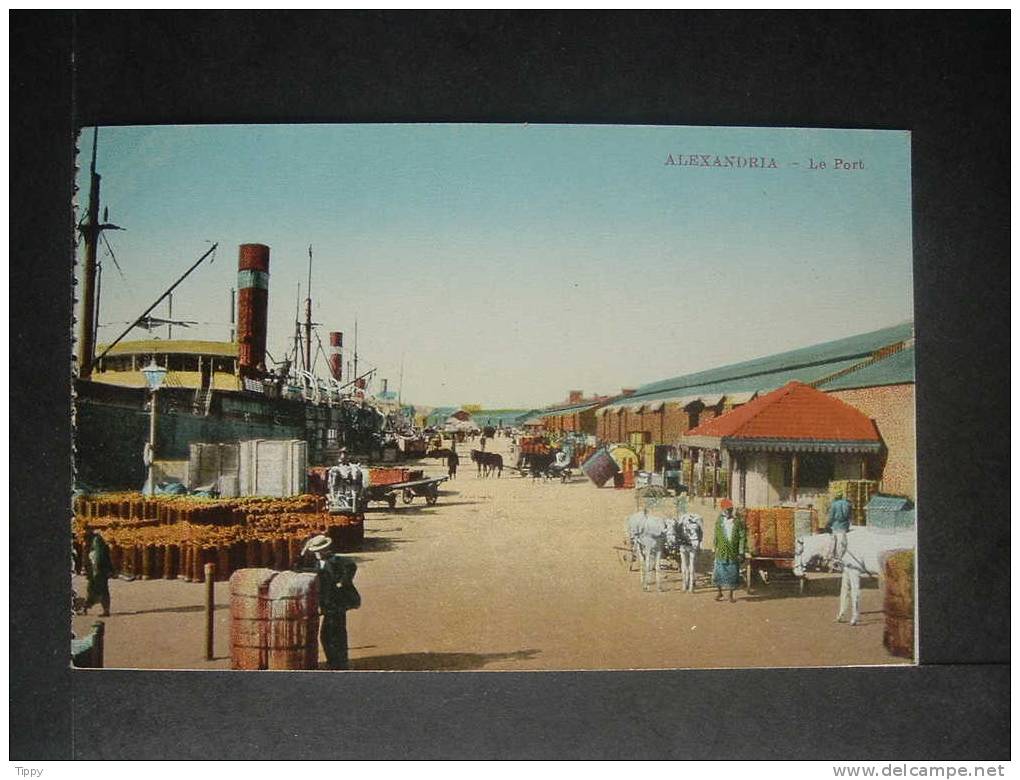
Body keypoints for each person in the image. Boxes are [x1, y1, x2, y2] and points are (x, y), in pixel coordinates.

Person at [301, 535, 361, 670]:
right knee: (329, 634)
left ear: (325, 550)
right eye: (315, 551)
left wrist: (343, 582)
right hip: (327, 602)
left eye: (318, 551)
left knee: (335, 633)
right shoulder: (317, 563)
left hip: (337, 602)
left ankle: (339, 662)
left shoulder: (336, 560)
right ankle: (334, 660)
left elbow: (352, 566)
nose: (316, 554)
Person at [712, 499, 747, 603]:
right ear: (723, 510)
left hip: (733, 551)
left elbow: (742, 537)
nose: (728, 512)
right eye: (726, 510)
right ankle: (719, 592)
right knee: (719, 571)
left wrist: (741, 551)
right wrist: (714, 546)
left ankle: (730, 595)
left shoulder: (737, 522)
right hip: (721, 550)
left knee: (733, 572)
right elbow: (716, 534)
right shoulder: (719, 521)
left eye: (730, 510)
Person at [83, 527, 114, 616]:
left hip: (98, 571)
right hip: (95, 570)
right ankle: (86, 607)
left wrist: (96, 569)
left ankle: (105, 610)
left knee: (101, 589)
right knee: (92, 589)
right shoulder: (92, 540)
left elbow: (98, 557)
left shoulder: (96, 540)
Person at [827, 492, 853, 569]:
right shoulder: (848, 504)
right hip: (845, 526)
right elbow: (850, 515)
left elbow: (831, 516)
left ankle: (834, 558)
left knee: (834, 542)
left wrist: (828, 523)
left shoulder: (834, 504)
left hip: (836, 525)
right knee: (844, 542)